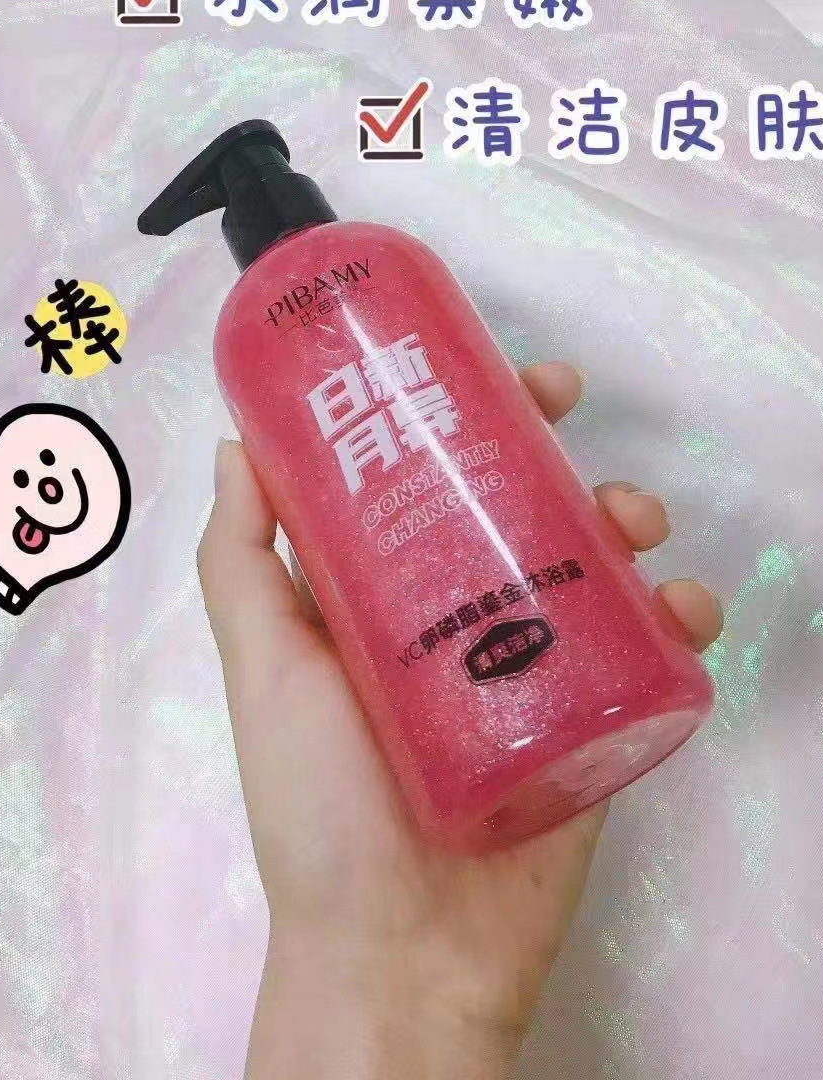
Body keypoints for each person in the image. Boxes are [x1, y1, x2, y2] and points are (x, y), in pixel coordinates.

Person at [198, 361, 723, 1080]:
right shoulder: (247, 340)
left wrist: (397, 986)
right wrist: (378, 966)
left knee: (516, 457)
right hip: (425, 839)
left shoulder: (286, 316)